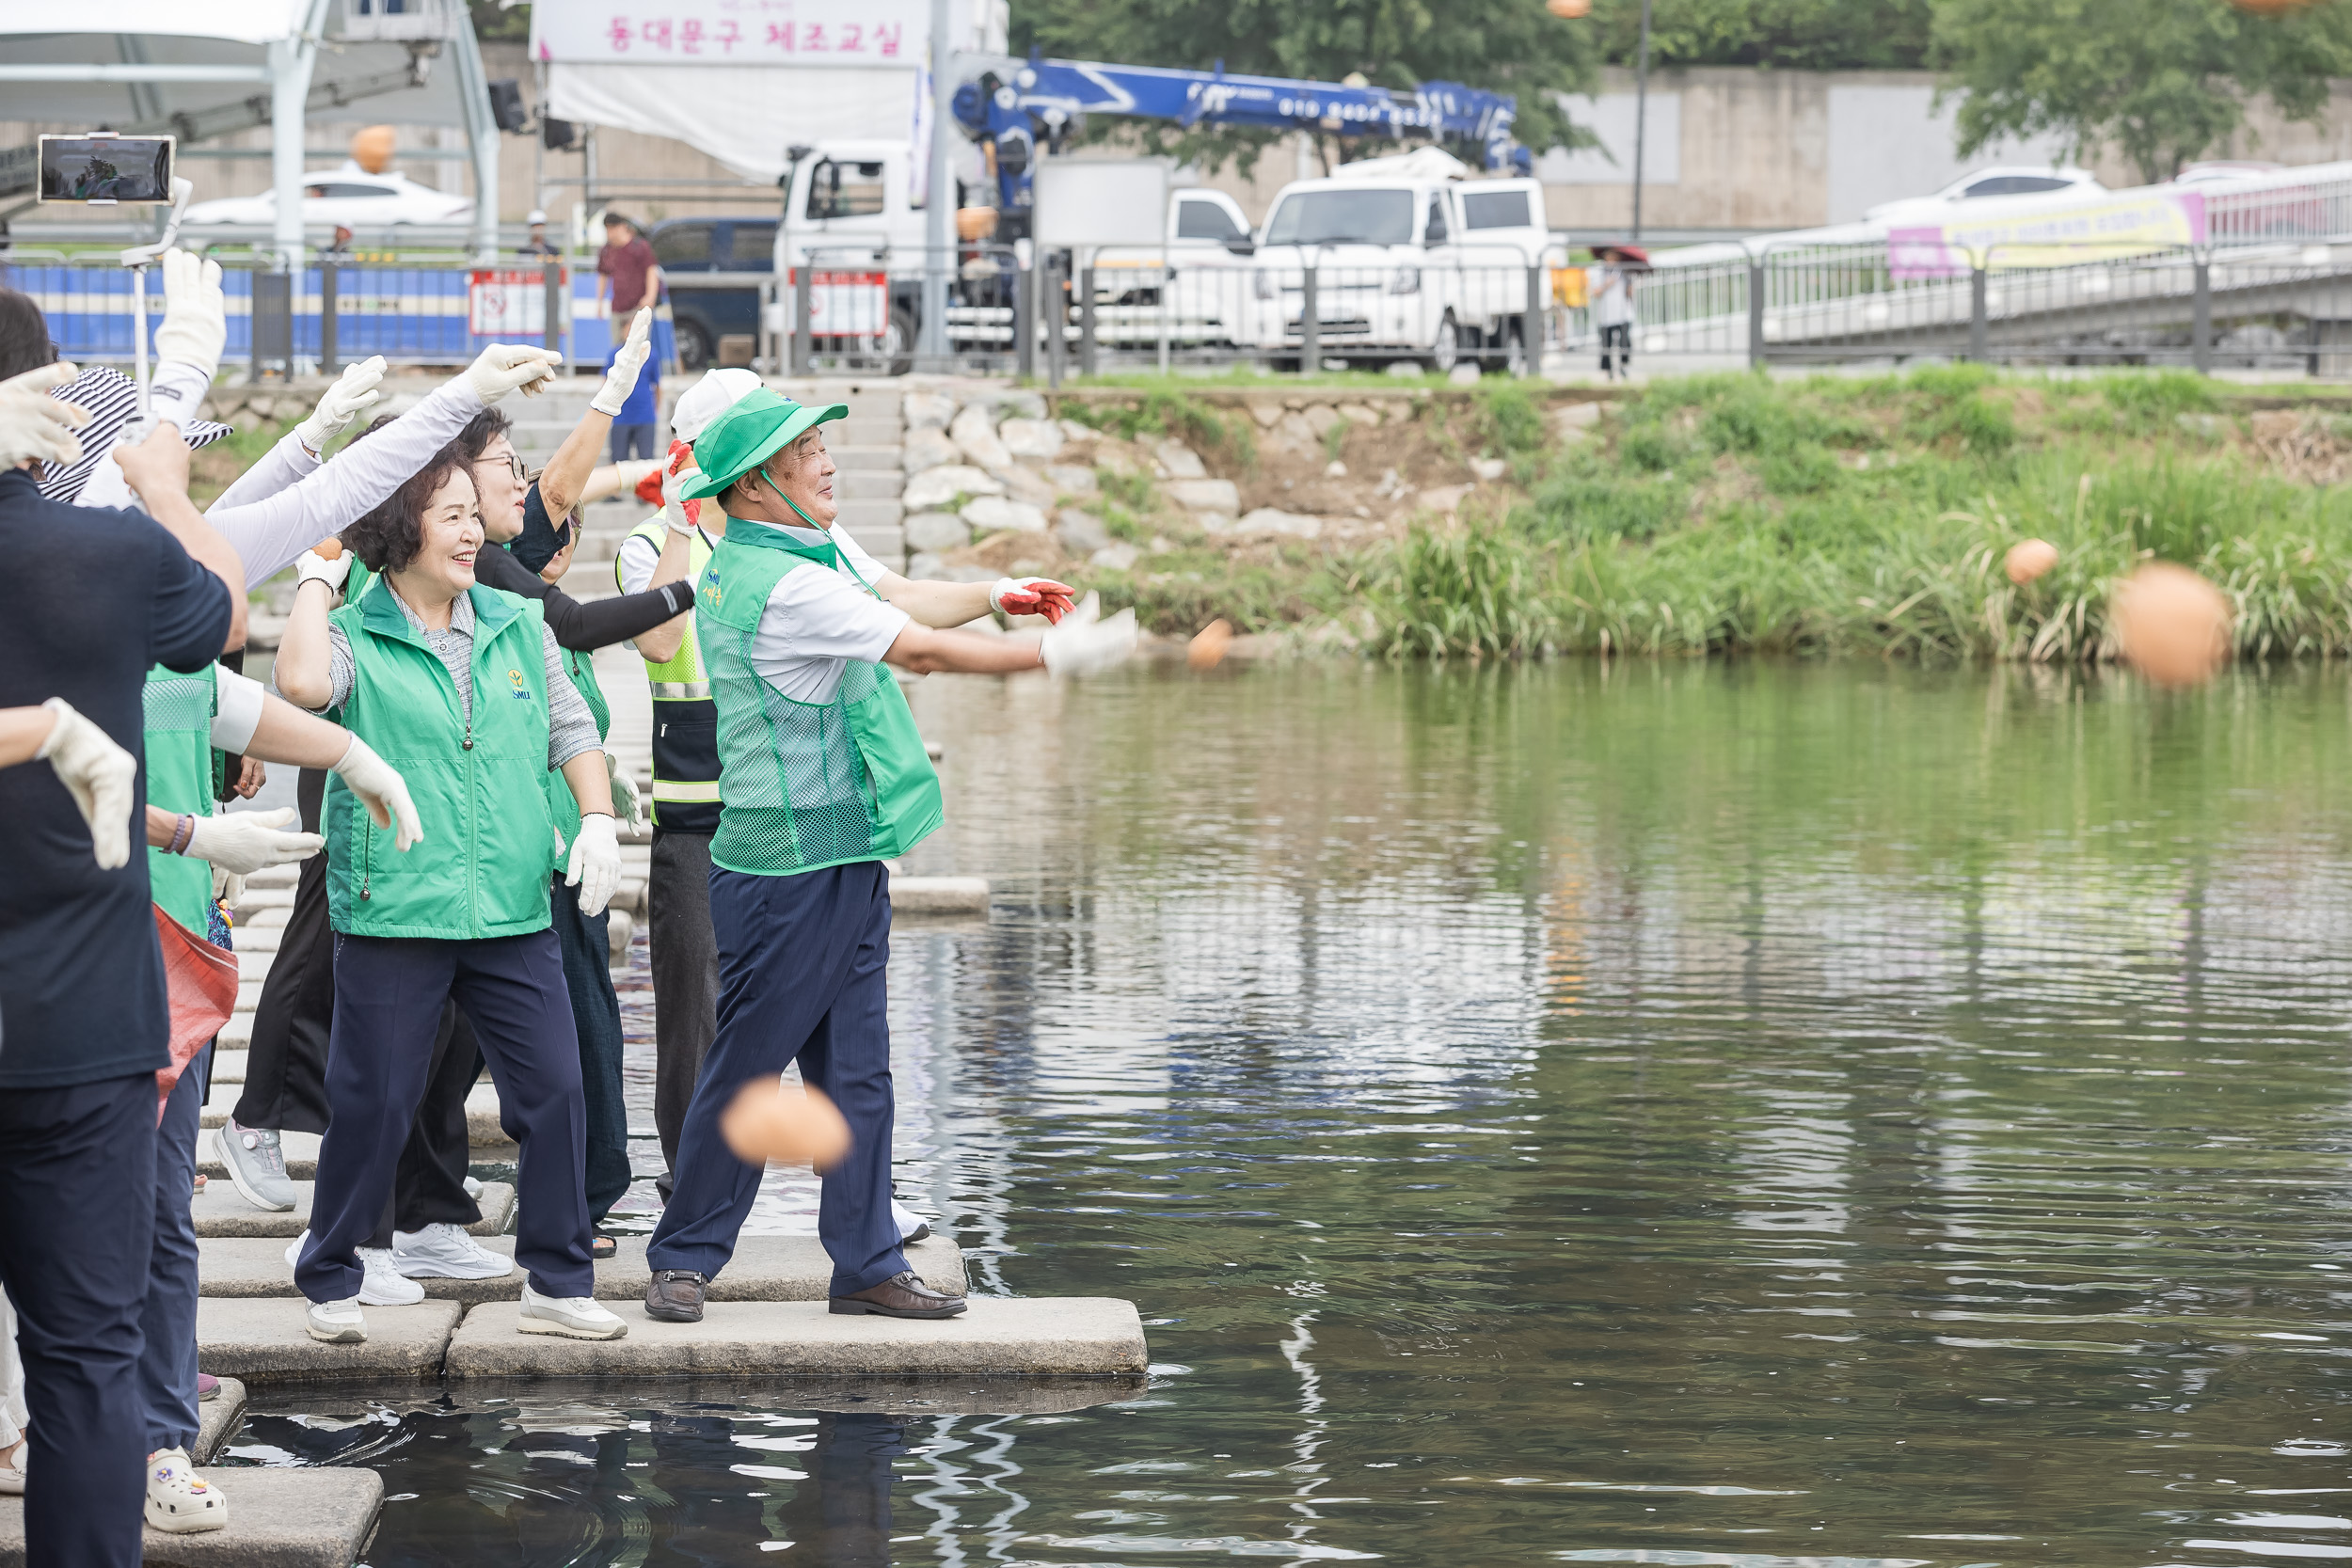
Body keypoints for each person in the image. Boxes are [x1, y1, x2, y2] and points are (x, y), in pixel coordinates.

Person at [640, 389, 1136, 1325]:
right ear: (754, 486)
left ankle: (865, 1258)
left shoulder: (798, 552)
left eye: (825, 445)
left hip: (845, 852)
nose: (830, 463)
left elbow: (898, 595)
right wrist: (1048, 657)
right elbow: (921, 651)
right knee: (748, 1070)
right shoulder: (779, 582)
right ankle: (683, 1256)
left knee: (859, 1070)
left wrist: (998, 598)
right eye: (810, 452)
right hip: (784, 871)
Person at [275, 445, 629, 1346]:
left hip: (511, 904)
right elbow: (304, 687)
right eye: (452, 515)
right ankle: (330, 1269)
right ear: (402, 530)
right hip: (398, 905)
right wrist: (316, 582)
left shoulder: (517, 621)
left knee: (555, 1091)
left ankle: (556, 1277)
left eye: (477, 513)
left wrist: (595, 820)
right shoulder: (356, 633)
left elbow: (571, 728)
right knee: (374, 1102)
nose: (474, 531)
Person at [0, 359, 241, 1566]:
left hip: (82, 1029)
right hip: (81, 1032)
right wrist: (163, 483)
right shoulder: (110, 558)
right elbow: (220, 614)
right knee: (88, 1358)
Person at [1589, 243, 1644, 381]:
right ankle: (1608, 371)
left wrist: (1630, 286)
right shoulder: (1599, 271)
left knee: (1625, 342)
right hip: (1606, 314)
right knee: (1606, 344)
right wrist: (1606, 284)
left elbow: (1629, 292)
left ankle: (1623, 366)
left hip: (1623, 313)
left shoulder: (1624, 270)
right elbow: (1595, 292)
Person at [596, 213, 660, 323]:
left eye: (613, 228)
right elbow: (603, 276)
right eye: (608, 229)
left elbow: (651, 271)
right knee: (617, 339)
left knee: (634, 338)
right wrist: (599, 303)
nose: (611, 233)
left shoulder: (639, 247)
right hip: (617, 307)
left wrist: (650, 296)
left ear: (623, 227)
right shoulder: (607, 250)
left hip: (638, 305)